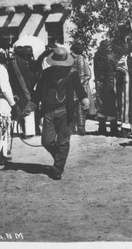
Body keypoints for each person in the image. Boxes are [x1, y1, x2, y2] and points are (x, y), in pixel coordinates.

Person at [33, 47, 89, 180]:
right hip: (48, 111)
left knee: (63, 142)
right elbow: (38, 91)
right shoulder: (46, 73)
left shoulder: (72, 73)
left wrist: (84, 98)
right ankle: (60, 157)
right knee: (47, 141)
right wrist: (30, 106)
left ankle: (58, 168)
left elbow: (79, 88)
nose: (59, 68)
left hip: (65, 111)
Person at [0, 49, 21, 165]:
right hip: (2, 101)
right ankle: (0, 155)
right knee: (3, 127)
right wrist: (13, 103)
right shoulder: (1, 69)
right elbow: (5, 88)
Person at [8, 46, 37, 138]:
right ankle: (29, 132)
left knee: (17, 110)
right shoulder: (27, 63)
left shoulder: (11, 63)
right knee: (28, 109)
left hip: (15, 89)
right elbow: (31, 77)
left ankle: (15, 131)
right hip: (27, 90)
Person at [94, 40, 118, 136]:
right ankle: (113, 129)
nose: (111, 48)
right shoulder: (111, 57)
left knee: (101, 105)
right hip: (110, 84)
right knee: (112, 106)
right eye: (109, 46)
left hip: (100, 84)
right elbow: (117, 68)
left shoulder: (97, 57)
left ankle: (102, 127)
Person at [70, 43, 95, 135]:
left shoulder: (68, 59)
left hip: (70, 87)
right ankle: (81, 128)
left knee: (71, 107)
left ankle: (72, 128)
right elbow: (88, 74)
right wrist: (82, 82)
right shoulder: (83, 60)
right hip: (82, 87)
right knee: (81, 108)